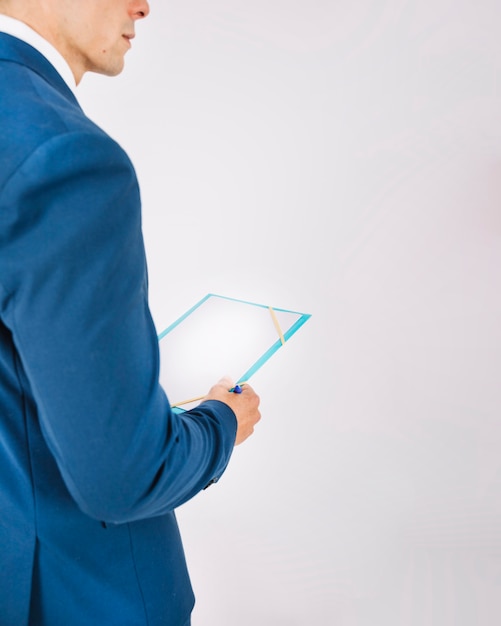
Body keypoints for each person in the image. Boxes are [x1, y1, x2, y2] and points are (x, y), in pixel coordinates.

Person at [0, 1, 261, 624]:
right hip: (73, 594)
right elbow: (123, 477)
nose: (143, 4)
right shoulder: (62, 156)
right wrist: (220, 422)